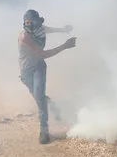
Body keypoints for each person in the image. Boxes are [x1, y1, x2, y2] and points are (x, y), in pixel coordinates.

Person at [18, 9, 75, 144]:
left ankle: (44, 131)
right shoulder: (24, 36)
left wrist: (63, 30)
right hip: (26, 72)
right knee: (40, 97)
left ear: (37, 22)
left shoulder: (40, 28)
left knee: (39, 98)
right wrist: (64, 46)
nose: (29, 25)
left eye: (32, 22)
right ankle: (54, 107)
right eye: (27, 22)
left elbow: (49, 30)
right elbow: (42, 54)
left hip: (38, 67)